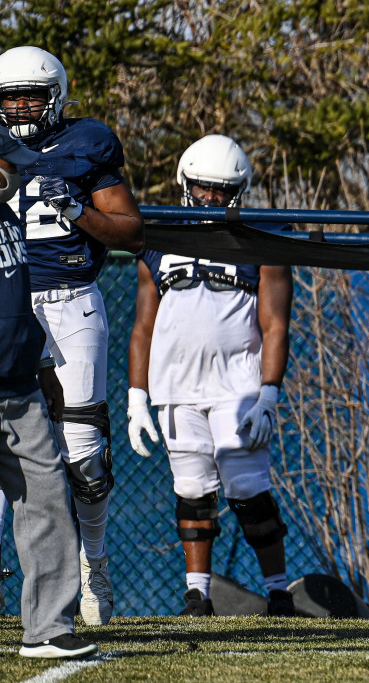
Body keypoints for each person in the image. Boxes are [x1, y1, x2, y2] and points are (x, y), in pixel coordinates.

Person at [0, 45, 144, 625]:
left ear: (55, 96)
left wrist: (79, 214)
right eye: (7, 98)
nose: (17, 108)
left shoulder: (86, 143)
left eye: (28, 96)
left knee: (82, 451)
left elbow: (133, 232)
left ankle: (95, 565)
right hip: (6, 297)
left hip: (67, 299)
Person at [126, 134, 296, 617]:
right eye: (203, 188)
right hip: (176, 384)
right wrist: (137, 396)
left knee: (247, 488)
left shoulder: (261, 234)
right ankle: (197, 595)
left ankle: (279, 593)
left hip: (237, 385)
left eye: (221, 190)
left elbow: (274, 323)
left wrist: (268, 394)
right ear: (186, 183)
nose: (211, 198)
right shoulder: (159, 237)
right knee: (192, 488)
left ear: (238, 190)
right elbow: (143, 326)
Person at [0, 131, 97, 658]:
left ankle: (48, 628)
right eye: (7, 163)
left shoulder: (7, 219)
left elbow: (16, 302)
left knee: (47, 501)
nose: (15, 175)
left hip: (18, 388)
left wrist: (42, 367)